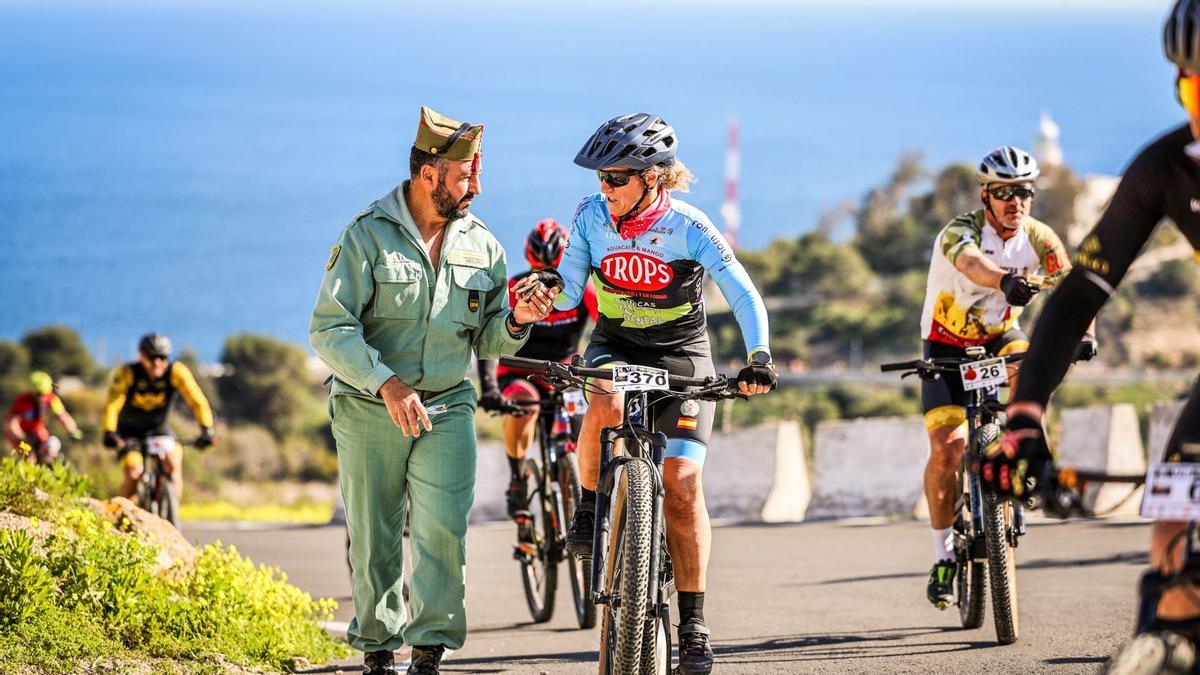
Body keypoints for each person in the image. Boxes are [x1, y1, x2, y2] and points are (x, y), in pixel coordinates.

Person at [981, 0, 1200, 646]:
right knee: (1169, 534)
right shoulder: (1167, 168)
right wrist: (1023, 416)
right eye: (1196, 85)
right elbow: (1080, 294)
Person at [309, 106, 556, 675]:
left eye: (477, 172)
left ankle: (429, 650)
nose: (478, 185)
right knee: (374, 539)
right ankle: (377, 648)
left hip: (447, 406)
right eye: (467, 174)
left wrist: (518, 317)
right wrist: (387, 385)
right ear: (429, 175)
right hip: (370, 408)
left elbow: (492, 339)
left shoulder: (483, 246)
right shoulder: (366, 235)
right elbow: (329, 328)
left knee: (442, 533)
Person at [553, 112, 775, 675]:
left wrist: (759, 359)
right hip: (616, 345)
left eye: (615, 178)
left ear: (653, 177)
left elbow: (744, 295)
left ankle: (695, 625)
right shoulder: (589, 218)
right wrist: (537, 301)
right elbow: (567, 292)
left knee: (682, 482)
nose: (603, 188)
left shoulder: (690, 227)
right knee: (601, 396)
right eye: (600, 178)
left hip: (682, 356)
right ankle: (587, 511)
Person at [917, 146, 1077, 608]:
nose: (1016, 202)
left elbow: (1072, 288)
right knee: (946, 450)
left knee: (1032, 373)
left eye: (1023, 192)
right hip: (945, 343)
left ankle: (1027, 466)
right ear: (986, 196)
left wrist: (1084, 333)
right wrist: (1005, 280)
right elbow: (970, 263)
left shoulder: (1039, 237)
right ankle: (943, 555)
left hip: (999, 335)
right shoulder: (960, 231)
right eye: (1005, 193)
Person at [477, 218, 598, 521]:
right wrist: (490, 387)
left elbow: (608, 329)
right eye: (538, 272)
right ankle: (518, 480)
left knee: (583, 427)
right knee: (524, 405)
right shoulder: (515, 289)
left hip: (564, 372)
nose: (544, 281)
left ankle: (576, 492)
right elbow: (488, 339)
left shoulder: (583, 292)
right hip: (521, 371)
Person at [102, 332, 216, 500]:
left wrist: (207, 429)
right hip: (129, 432)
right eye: (151, 358)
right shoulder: (127, 373)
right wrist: (109, 431)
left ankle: (171, 516)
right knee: (134, 473)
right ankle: (119, 516)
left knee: (173, 465)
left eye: (162, 358)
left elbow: (197, 401)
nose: (157, 363)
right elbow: (113, 403)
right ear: (141, 357)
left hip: (158, 429)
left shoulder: (177, 372)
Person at [5, 371, 82, 464]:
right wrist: (20, 436)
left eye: (45, 394)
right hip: (20, 433)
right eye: (39, 394)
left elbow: (63, 416)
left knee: (50, 450)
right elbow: (12, 422)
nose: (42, 397)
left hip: (37, 429)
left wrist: (73, 430)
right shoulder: (22, 401)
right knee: (29, 457)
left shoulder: (52, 399)